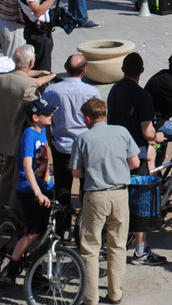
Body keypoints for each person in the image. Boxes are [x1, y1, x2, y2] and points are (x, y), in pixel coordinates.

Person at [70, 97, 140, 305]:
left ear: (88, 119)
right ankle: (115, 293)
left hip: (95, 195)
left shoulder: (82, 138)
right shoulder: (121, 132)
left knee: (90, 247)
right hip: (120, 193)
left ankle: (90, 297)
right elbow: (135, 162)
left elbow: (76, 172)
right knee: (117, 244)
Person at [106, 52, 166, 266]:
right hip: (135, 155)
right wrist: (158, 136)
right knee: (141, 202)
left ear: (123, 69)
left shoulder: (114, 91)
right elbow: (147, 131)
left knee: (118, 199)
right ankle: (140, 251)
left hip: (114, 154)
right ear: (142, 71)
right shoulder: (142, 96)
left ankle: (112, 242)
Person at [0, 96, 56, 289]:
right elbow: (27, 165)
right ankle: (10, 270)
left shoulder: (42, 132)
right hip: (30, 191)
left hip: (44, 189)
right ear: (35, 117)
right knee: (32, 234)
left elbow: (42, 163)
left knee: (41, 233)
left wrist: (48, 185)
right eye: (46, 113)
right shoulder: (28, 135)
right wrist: (37, 192)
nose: (50, 115)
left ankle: (36, 272)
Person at [43, 54, 101, 235]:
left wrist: (49, 140)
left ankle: (62, 231)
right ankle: (85, 228)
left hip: (61, 147)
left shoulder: (52, 91)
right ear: (84, 71)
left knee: (62, 189)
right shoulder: (92, 92)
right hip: (86, 148)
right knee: (87, 189)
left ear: (65, 67)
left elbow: (46, 121)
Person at [0, 45, 55, 207]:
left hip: (5, 135)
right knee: (19, 177)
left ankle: (3, 209)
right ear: (31, 63)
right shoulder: (27, 86)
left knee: (6, 175)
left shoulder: (3, 79)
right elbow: (37, 111)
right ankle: (12, 213)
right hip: (19, 138)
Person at [17, 0, 66, 73]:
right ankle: (42, 89)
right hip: (38, 32)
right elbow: (37, 11)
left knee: (42, 63)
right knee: (42, 69)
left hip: (38, 31)